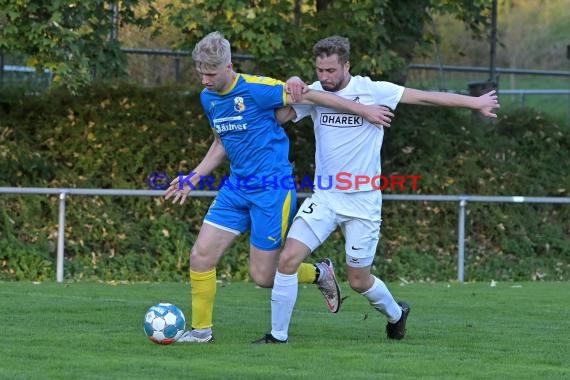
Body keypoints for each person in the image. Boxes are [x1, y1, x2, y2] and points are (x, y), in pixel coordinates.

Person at [254, 35, 500, 343]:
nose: (324, 77)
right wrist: (290, 85)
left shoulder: (373, 91)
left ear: (347, 65)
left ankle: (397, 314)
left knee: (358, 281)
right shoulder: (315, 92)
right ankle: (277, 337)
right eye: (319, 70)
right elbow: (280, 116)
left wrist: (475, 102)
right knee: (288, 259)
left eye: (331, 70)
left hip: (363, 203)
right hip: (326, 197)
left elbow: (426, 97)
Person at [164, 31, 394, 343]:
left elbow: (310, 95)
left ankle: (318, 273)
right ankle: (201, 331)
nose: (204, 80)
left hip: (271, 189)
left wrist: (363, 110)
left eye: (211, 74)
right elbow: (221, 142)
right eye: (200, 73)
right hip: (236, 189)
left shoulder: (258, 89)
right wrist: (193, 177)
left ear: (228, 66)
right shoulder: (209, 98)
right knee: (200, 256)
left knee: (263, 276)